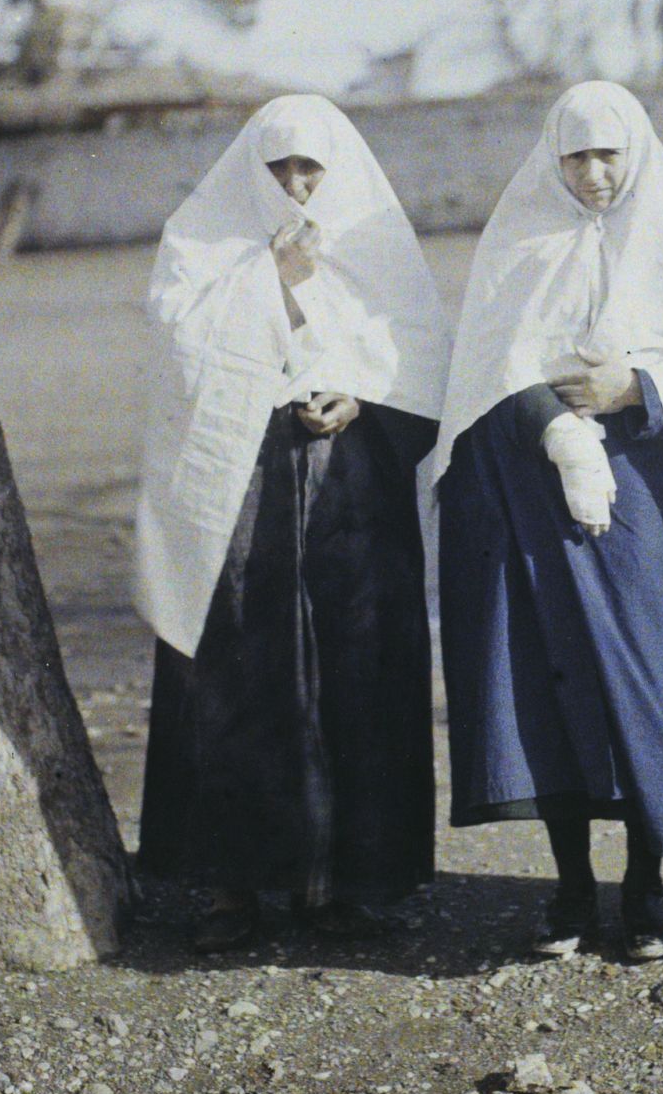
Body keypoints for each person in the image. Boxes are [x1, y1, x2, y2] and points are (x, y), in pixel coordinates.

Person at [435, 81, 663, 962]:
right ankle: (572, 885)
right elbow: (486, 365)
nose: (594, 171)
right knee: (553, 681)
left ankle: (645, 881)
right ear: (553, 158)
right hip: (541, 495)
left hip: (649, 496)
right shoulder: (521, 237)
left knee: (650, 678)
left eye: (609, 152)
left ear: (637, 154)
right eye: (576, 154)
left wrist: (635, 388)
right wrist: (549, 420)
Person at [132, 94, 453, 952]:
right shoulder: (204, 242)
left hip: (350, 485)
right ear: (254, 172)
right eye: (281, 170)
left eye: (313, 170)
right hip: (245, 484)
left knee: (350, 672)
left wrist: (360, 393)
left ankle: (337, 884)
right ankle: (230, 887)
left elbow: (416, 354)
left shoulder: (377, 242)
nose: (299, 186)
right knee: (238, 668)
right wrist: (272, 281)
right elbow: (177, 341)